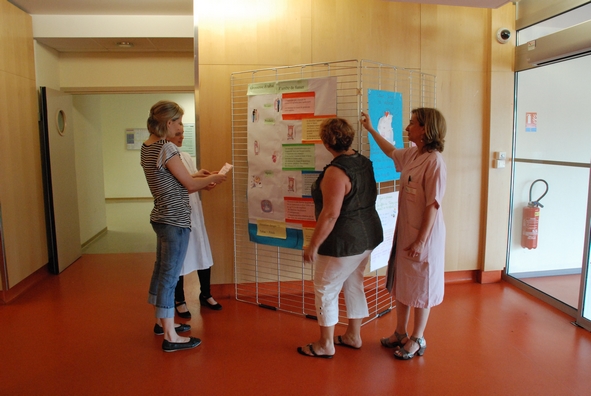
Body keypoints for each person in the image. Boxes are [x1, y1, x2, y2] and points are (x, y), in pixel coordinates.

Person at [360, 108, 447, 360]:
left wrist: (421, 241)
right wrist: (370, 129)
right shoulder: (412, 154)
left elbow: (433, 204)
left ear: (425, 129)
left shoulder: (435, 162)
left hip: (425, 234)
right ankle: (400, 332)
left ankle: (417, 338)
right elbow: (390, 151)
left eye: (412, 123)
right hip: (407, 229)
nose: (407, 128)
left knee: (422, 283)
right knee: (404, 281)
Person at [141, 100, 226, 352]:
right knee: (169, 276)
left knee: (161, 272)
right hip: (174, 219)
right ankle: (171, 336)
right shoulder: (166, 147)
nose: (180, 126)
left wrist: (200, 176)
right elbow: (188, 185)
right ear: (168, 123)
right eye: (178, 121)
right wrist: (214, 178)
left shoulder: (149, 146)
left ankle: (161, 323)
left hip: (161, 216)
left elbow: (175, 177)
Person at [298, 117, 384, 359]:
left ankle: (326, 344)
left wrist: (313, 245)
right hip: (367, 237)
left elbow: (330, 214)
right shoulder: (364, 162)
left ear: (326, 143)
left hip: (345, 242)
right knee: (353, 282)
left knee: (325, 287)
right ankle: (353, 336)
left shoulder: (336, 172)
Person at [166, 127, 222, 318]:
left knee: (202, 251)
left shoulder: (185, 156)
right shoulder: (166, 157)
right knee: (180, 256)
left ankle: (205, 294)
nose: (182, 137)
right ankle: (179, 299)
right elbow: (181, 186)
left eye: (182, 133)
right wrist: (208, 179)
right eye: (177, 134)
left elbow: (190, 180)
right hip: (178, 212)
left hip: (194, 210)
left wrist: (201, 177)